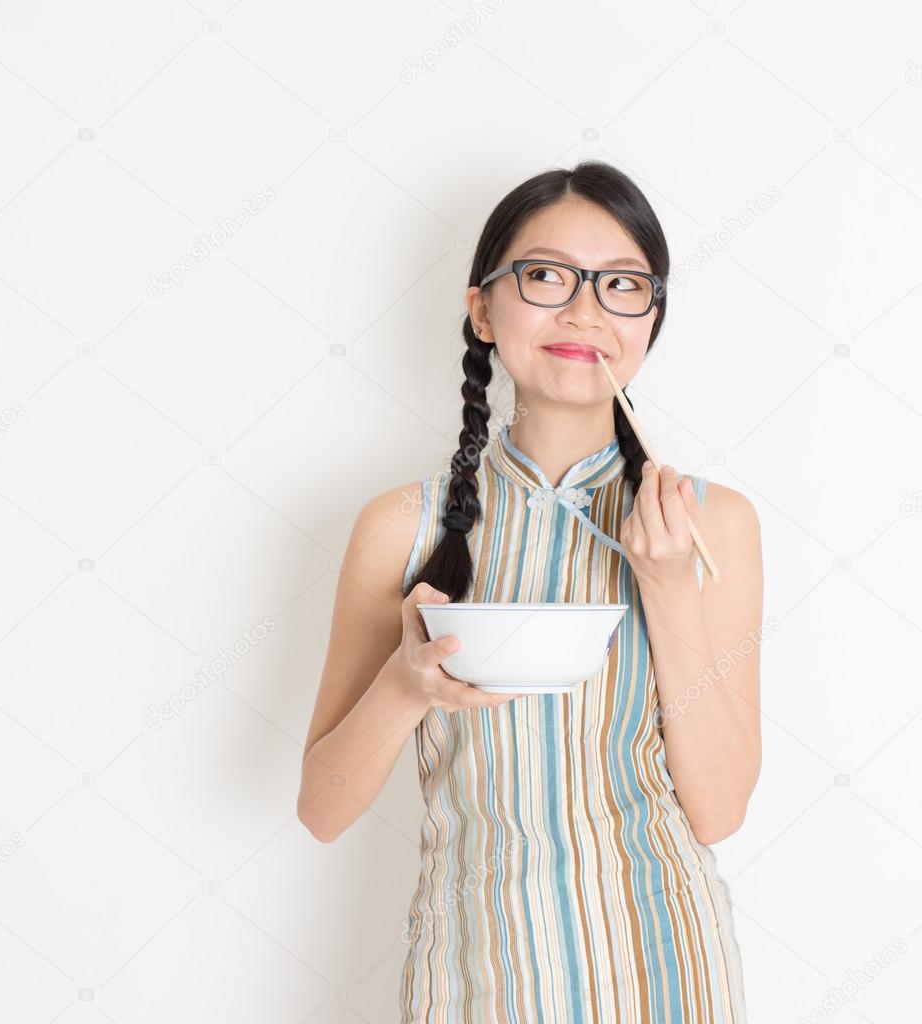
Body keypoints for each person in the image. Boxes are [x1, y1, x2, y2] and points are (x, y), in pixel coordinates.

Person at [298, 160, 763, 1022]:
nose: (585, 310)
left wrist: (665, 587)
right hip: (475, 972)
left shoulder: (709, 524)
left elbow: (721, 807)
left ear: (649, 319)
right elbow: (322, 809)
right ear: (482, 308)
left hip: (669, 970)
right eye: (547, 276)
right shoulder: (401, 525)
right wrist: (406, 686)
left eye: (621, 285)